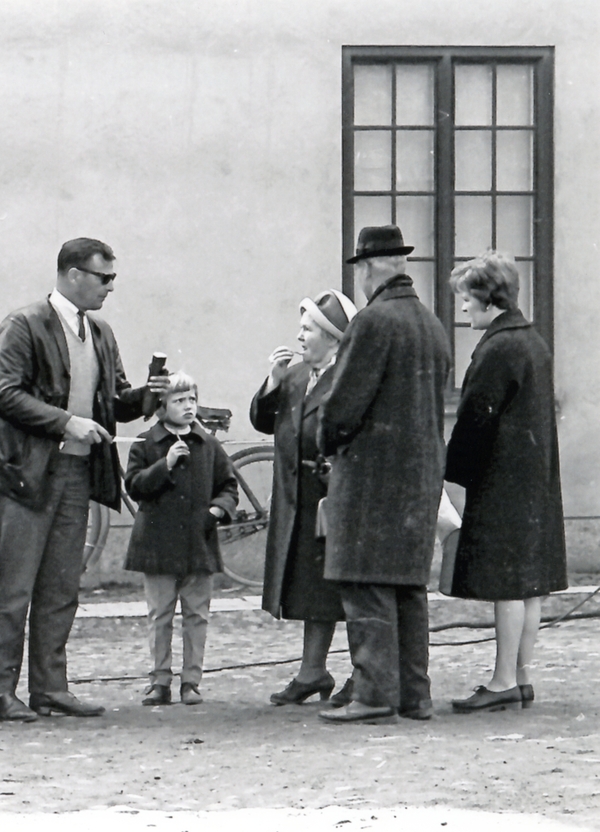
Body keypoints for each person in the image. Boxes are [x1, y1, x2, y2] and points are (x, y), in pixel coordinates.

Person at [0, 237, 167, 721]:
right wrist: (66, 422)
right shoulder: (23, 325)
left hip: (77, 472)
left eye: (113, 279)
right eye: (104, 278)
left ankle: (50, 687)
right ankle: (1, 693)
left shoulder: (101, 333)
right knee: (16, 588)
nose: (110, 288)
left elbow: (115, 401)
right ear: (73, 274)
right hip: (26, 475)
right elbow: (4, 395)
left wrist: (148, 397)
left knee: (63, 587)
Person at [317, 225, 451, 725]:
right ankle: (415, 695)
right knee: (407, 589)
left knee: (365, 583)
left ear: (366, 268)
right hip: (419, 477)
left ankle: (374, 694)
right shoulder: (429, 323)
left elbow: (344, 404)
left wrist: (324, 442)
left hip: (372, 477)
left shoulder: (373, 322)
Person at [443, 251, 568, 713]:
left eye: (465, 298)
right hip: (532, 479)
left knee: (507, 585)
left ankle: (501, 681)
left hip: (503, 482)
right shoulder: (532, 341)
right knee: (528, 584)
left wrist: (449, 470)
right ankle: (521, 675)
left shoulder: (497, 349)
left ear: (486, 298)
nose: (462, 309)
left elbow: (475, 420)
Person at [250, 289, 358, 707]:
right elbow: (262, 422)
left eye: (308, 329)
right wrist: (272, 382)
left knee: (343, 589)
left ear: (332, 337)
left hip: (329, 501)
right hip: (297, 501)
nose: (299, 337)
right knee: (313, 590)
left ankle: (362, 671)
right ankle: (312, 671)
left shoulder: (347, 378)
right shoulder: (295, 376)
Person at [124, 372, 239, 707]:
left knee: (196, 615)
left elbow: (228, 486)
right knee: (159, 615)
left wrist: (217, 511)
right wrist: (166, 463)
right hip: (157, 545)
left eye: (192, 399)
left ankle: (192, 681)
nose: (188, 407)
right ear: (162, 407)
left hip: (197, 544)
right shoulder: (145, 443)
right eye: (179, 401)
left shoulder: (209, 444)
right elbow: (134, 486)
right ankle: (160, 680)